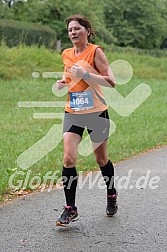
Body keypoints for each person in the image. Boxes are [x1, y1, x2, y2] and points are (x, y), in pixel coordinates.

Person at [55, 14, 118, 227]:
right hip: (73, 111)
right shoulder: (66, 53)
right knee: (68, 158)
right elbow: (72, 76)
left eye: (77, 29)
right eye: (70, 30)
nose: (73, 32)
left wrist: (86, 74)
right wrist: (64, 81)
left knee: (101, 160)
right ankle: (70, 208)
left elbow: (111, 82)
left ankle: (111, 193)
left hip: (96, 112)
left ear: (87, 31)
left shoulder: (96, 51)